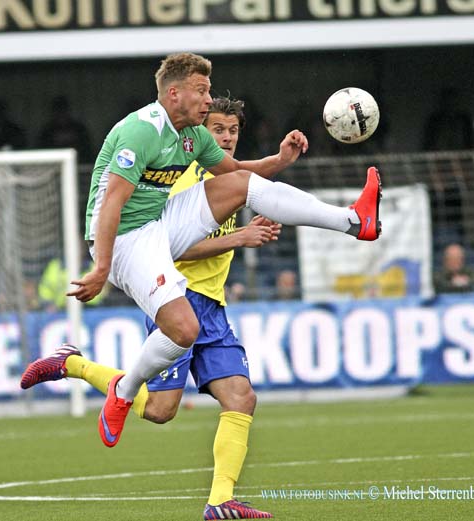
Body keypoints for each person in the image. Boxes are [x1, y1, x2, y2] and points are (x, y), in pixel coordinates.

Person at [22, 95, 283, 519]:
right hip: (176, 299)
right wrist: (238, 238)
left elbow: (254, 186)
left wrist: (277, 171)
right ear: (201, 133)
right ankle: (73, 366)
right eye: (219, 130)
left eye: (234, 131)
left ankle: (220, 501)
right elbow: (167, 249)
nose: (228, 138)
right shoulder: (183, 180)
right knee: (161, 410)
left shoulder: (228, 179)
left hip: (212, 307)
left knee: (242, 397)